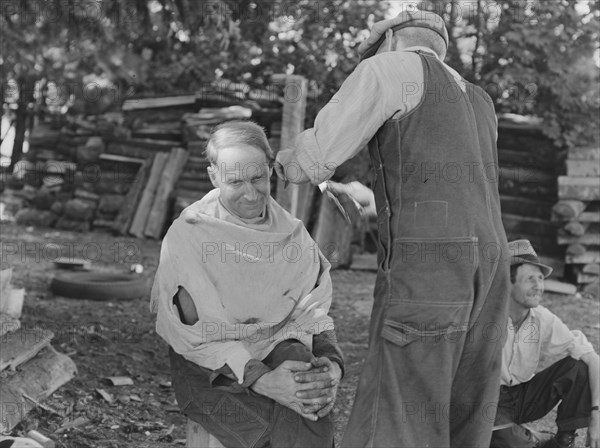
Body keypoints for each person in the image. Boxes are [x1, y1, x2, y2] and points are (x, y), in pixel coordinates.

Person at [275, 8, 511, 448]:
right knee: (465, 404)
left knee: (402, 402)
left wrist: (287, 163)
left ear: (389, 41)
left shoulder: (388, 68)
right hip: (494, 264)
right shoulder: (480, 98)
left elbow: (319, 154)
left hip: (431, 263)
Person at [150, 120, 344, 448]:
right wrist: (261, 379)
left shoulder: (293, 234)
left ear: (270, 169)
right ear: (214, 176)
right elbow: (198, 337)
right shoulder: (190, 235)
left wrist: (332, 366)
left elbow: (314, 315)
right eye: (235, 181)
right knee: (264, 427)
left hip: (277, 351)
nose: (250, 194)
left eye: (257, 178)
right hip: (210, 367)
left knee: (307, 390)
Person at [491, 239, 599, 448]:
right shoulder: (487, 318)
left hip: (523, 397)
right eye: (530, 279)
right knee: (507, 441)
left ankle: (562, 440)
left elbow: (593, 359)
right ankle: (527, 438)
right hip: (486, 400)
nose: (539, 286)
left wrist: (596, 414)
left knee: (579, 367)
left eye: (541, 279)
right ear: (507, 282)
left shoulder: (541, 318)